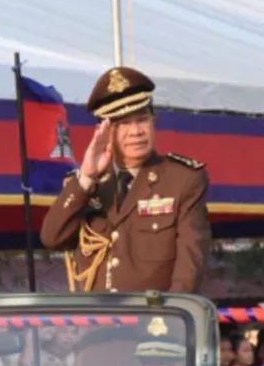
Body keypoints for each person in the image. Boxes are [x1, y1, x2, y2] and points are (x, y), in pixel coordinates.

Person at [40, 66, 212, 293]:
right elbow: (52, 238)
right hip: (100, 323)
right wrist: (87, 177)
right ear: (104, 131)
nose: (135, 132)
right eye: (123, 124)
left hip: (155, 321)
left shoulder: (183, 180)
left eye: (142, 120)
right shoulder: (86, 186)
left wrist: (169, 321)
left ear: (154, 122)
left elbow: (190, 265)